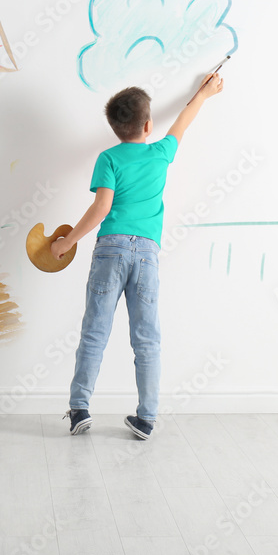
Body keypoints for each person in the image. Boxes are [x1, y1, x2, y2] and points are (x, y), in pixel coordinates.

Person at [51, 72, 225, 439]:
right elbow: (183, 120)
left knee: (94, 333)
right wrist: (205, 93)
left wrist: (67, 242)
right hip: (147, 255)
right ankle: (146, 417)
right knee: (146, 338)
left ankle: (80, 409)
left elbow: (101, 209)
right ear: (148, 125)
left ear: (114, 128)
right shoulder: (161, 152)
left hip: (110, 250)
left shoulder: (108, 158)